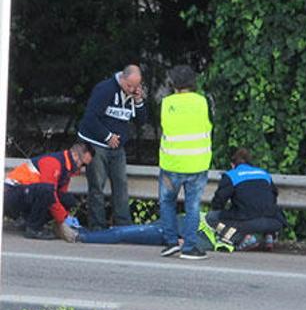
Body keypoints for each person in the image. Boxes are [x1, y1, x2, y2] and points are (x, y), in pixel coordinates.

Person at [77, 64, 148, 229]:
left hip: (117, 146)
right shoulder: (105, 89)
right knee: (97, 185)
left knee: (121, 185)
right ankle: (97, 225)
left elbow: (141, 122)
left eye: (135, 86)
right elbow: (90, 118)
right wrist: (107, 136)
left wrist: (138, 101)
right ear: (122, 78)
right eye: (129, 85)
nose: (132, 89)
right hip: (96, 143)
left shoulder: (132, 94)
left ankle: (123, 224)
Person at [157, 64, 213, 260]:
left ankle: (171, 242)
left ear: (173, 84)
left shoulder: (166, 103)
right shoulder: (203, 102)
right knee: (193, 206)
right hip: (196, 164)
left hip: (171, 164)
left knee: (167, 202)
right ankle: (189, 247)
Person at [3, 142, 94, 241]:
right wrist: (63, 220)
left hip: (25, 194)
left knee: (68, 200)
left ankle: (28, 221)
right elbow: (50, 194)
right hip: (9, 194)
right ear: (75, 155)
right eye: (83, 164)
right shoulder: (53, 162)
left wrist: (65, 217)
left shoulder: (67, 170)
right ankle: (33, 228)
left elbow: (60, 195)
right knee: (47, 190)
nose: (82, 168)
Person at [207, 148, 286, 251]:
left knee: (211, 217)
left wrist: (228, 210)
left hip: (248, 222)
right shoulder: (263, 173)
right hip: (274, 221)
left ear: (232, 164)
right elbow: (274, 195)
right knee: (260, 212)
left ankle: (240, 238)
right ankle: (268, 236)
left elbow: (218, 202)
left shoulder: (231, 175)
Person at [74, 212, 233, 253]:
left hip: (163, 232)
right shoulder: (211, 221)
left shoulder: (208, 239)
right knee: (120, 231)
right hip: (163, 226)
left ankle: (81, 237)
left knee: (120, 234)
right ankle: (84, 233)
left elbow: (185, 243)